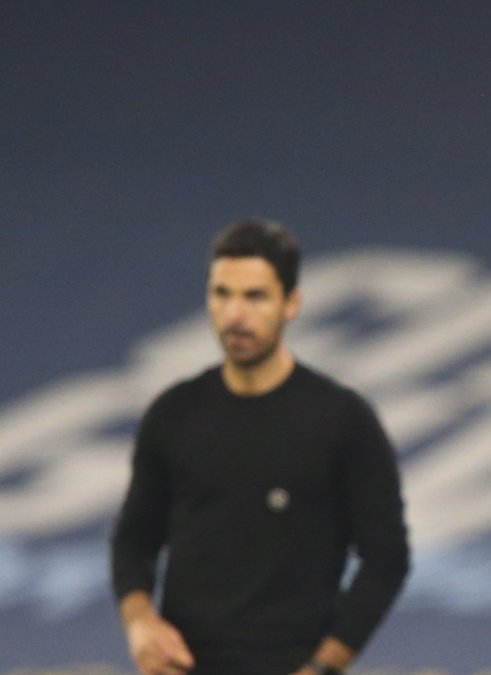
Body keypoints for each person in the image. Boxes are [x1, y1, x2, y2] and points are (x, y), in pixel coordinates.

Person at [110, 219, 409, 675]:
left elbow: (386, 559)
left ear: (291, 304)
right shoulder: (173, 413)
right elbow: (134, 540)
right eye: (221, 294)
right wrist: (140, 623)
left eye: (255, 296)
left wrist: (322, 667)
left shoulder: (343, 421)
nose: (235, 314)